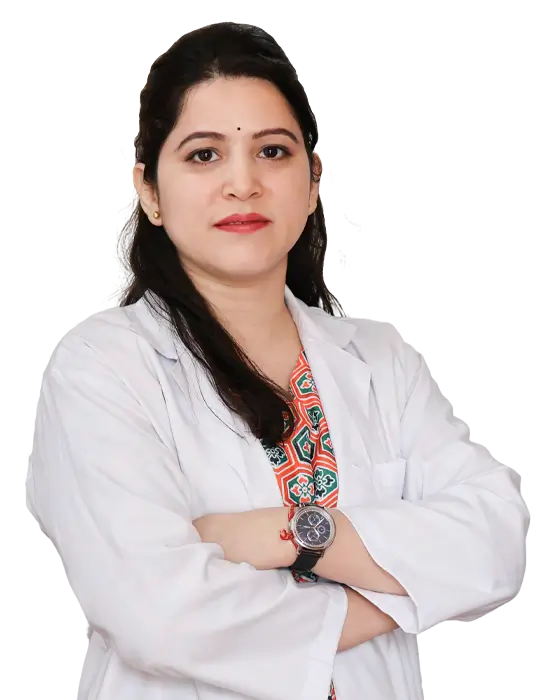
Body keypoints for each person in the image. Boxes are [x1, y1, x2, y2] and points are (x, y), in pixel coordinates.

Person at [25, 21, 530, 700]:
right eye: (204, 155)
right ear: (150, 192)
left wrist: (295, 537)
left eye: (272, 151)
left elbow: (495, 540)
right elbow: (161, 616)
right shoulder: (101, 367)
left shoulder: (382, 361)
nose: (243, 183)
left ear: (313, 180)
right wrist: (406, 594)